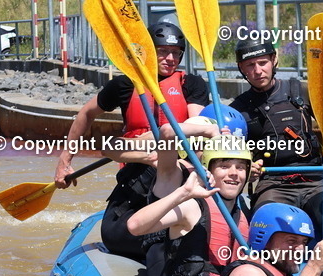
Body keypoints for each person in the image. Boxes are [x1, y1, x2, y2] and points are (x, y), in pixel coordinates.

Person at [54, 22, 208, 259]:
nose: (170, 58)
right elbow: (86, 114)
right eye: (163, 52)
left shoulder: (191, 84)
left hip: (175, 170)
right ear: (148, 51)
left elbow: (197, 124)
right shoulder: (125, 84)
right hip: (136, 170)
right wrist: (65, 160)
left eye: (176, 53)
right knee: (114, 235)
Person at [126, 124, 252, 276]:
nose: (234, 173)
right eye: (224, 166)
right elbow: (135, 227)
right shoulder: (192, 206)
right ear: (209, 172)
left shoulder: (244, 212)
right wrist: (183, 192)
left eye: (240, 167)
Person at [228, 37, 323, 220]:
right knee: (266, 218)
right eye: (250, 65)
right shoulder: (237, 110)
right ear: (241, 68)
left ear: (274, 60)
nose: (258, 71)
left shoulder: (301, 91)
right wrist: (248, 168)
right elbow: (230, 154)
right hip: (272, 181)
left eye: (263, 62)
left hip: (313, 178)